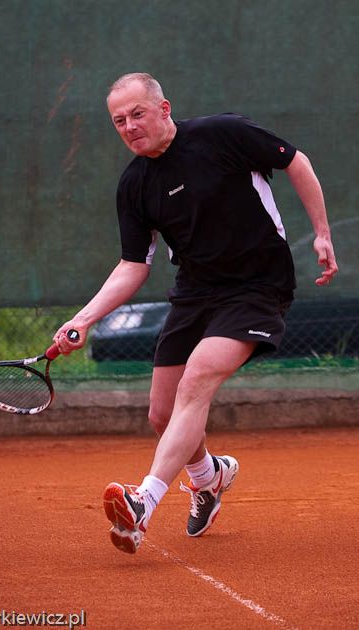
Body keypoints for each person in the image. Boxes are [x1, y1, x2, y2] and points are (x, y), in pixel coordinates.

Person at [53, 72, 338, 554]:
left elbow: (296, 161)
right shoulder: (134, 185)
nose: (129, 126)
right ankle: (209, 477)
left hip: (257, 286)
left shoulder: (222, 134)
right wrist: (83, 318)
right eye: (119, 121)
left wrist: (322, 233)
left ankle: (143, 502)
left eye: (137, 114)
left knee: (198, 378)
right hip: (195, 292)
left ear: (164, 109)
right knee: (162, 413)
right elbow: (132, 265)